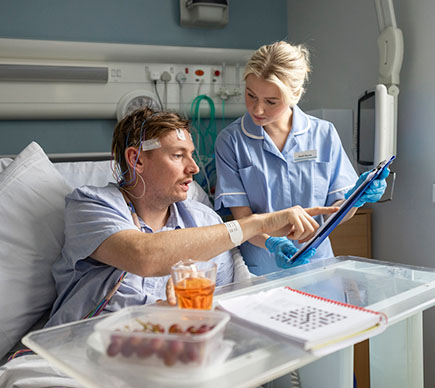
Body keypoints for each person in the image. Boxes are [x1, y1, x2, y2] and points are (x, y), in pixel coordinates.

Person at [45, 107, 338, 328]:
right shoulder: (90, 205)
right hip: (83, 349)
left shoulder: (203, 220)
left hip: (168, 354)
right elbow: (144, 256)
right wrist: (256, 224)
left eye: (192, 155)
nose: (194, 168)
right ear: (137, 159)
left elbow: (226, 303)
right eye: (178, 155)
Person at [214, 41, 389, 276]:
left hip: (317, 266)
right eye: (251, 95)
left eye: (271, 101)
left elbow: (335, 210)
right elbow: (242, 221)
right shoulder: (231, 141)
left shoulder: (323, 134)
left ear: (295, 95)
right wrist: (271, 243)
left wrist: (354, 199)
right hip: (261, 270)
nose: (257, 109)